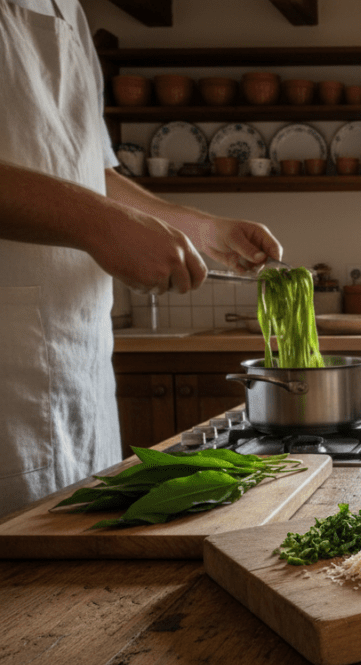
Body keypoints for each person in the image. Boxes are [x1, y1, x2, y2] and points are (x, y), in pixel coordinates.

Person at [0, 0, 283, 517]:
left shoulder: (71, 10)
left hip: (78, 361)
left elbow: (92, 171)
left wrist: (201, 230)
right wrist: (98, 224)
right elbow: (93, 206)